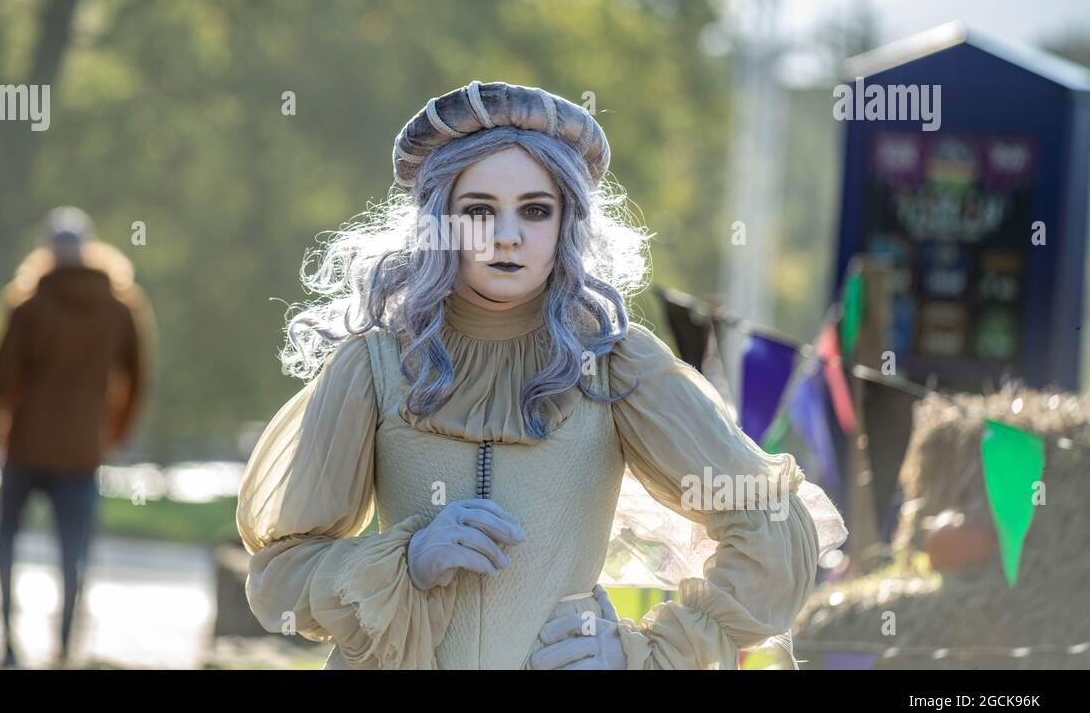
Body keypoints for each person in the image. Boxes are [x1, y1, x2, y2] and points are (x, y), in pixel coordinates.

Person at [237, 81, 847, 669]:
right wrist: (408, 561)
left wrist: (639, 655)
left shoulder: (615, 363)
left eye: (535, 210)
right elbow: (280, 580)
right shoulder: (372, 366)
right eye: (479, 210)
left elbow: (769, 525)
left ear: (567, 223)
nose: (507, 236)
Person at [0, 207, 154, 667]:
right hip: (84, 451)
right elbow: (139, 377)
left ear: (48, 250)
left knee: (6, 540)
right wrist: (116, 432)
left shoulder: (26, 305)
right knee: (75, 553)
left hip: (24, 445)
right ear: (88, 249)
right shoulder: (121, 306)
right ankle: (65, 647)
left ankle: (8, 640)